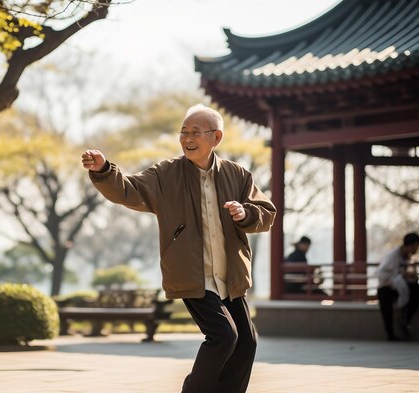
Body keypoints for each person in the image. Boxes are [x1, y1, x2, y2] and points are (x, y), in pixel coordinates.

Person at [81, 104, 276, 393]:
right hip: (192, 276)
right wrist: (104, 170)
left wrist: (245, 213)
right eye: (183, 132)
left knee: (246, 342)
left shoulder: (238, 175)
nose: (187, 138)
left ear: (216, 137)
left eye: (195, 132)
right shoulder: (166, 174)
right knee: (223, 336)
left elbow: (266, 212)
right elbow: (129, 190)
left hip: (230, 277)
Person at [376, 232, 419, 341]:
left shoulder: (407, 257)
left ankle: (405, 318)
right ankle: (391, 335)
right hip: (386, 286)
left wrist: (410, 276)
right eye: (416, 246)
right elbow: (381, 274)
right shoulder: (392, 255)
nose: (417, 249)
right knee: (386, 304)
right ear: (411, 245)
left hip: (399, 286)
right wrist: (401, 275)